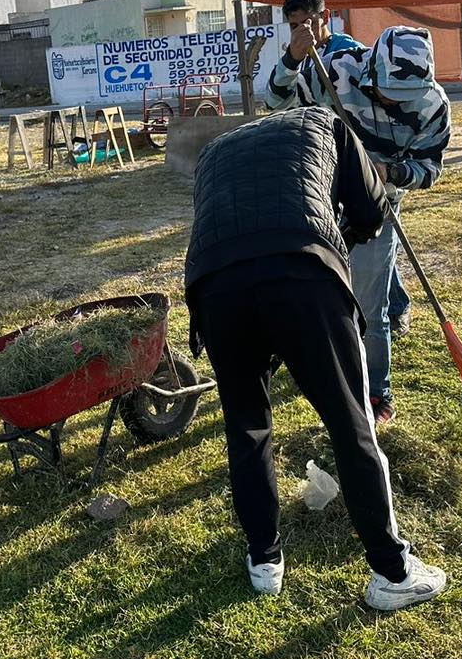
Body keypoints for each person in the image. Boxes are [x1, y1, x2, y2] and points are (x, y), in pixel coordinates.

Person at [185, 106, 448, 609]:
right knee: (351, 423)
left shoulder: (215, 150)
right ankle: (392, 573)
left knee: (247, 426)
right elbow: (371, 211)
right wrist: (333, 241)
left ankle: (264, 561)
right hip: (303, 275)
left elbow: (221, 222)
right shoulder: (328, 123)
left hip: (215, 285)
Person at [266, 0, 450, 425]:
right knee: (327, 282)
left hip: (379, 206)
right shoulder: (339, 69)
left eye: (401, 98)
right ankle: (319, 349)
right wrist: (292, 58)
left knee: (368, 304)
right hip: (328, 196)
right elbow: (275, 103)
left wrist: (392, 173)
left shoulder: (433, 109)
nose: (391, 102)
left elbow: (429, 169)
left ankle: (375, 393)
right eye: (385, 93)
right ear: (373, 70)